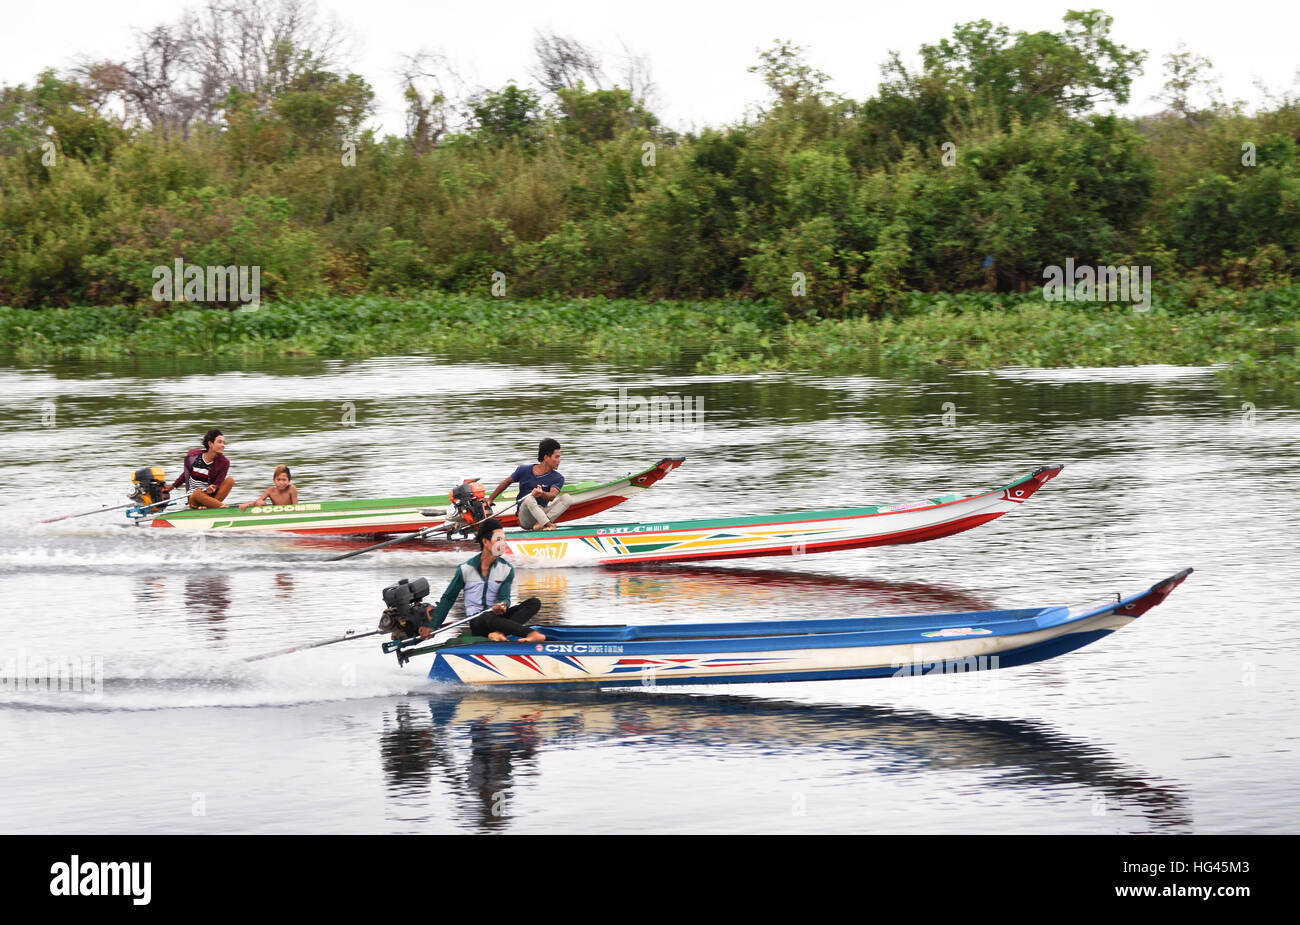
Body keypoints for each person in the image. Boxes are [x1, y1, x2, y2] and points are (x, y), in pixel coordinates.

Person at [419, 518, 545, 643]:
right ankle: (530, 633)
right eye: (498, 539)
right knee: (485, 616)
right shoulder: (465, 569)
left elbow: (505, 598)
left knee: (534, 602)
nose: (503, 544)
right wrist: (433, 626)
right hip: (478, 622)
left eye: (504, 540)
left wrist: (502, 605)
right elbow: (448, 599)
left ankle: (498, 634)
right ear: (485, 541)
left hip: (498, 619)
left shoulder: (507, 569)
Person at [487, 437, 572, 531]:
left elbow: (552, 496)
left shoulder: (558, 478)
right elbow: (506, 482)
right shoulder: (523, 470)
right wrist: (490, 499)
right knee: (529, 498)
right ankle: (547, 524)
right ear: (546, 457)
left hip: (542, 513)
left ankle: (541, 524)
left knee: (567, 498)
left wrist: (541, 493)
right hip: (525, 517)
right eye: (556, 457)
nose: (559, 460)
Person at [170, 429, 235, 509]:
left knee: (230, 480)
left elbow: (218, 483)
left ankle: (210, 507)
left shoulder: (224, 462)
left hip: (210, 497)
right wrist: (172, 486)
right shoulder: (194, 457)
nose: (223, 445)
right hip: (194, 498)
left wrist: (213, 488)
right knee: (197, 492)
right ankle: (222, 508)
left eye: (223, 442)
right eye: (220, 442)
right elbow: (185, 475)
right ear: (210, 444)